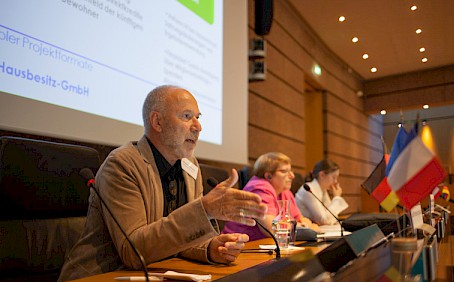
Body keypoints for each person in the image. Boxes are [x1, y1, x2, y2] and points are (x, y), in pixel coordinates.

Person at [58, 85, 268, 281]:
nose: (198, 127)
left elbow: (173, 238)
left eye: (198, 117)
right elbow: (133, 252)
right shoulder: (122, 165)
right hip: (101, 275)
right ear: (157, 122)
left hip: (160, 273)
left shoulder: (190, 167)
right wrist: (204, 209)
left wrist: (210, 248)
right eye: (187, 117)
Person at [222, 152, 319, 241]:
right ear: (268, 176)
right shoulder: (259, 188)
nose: (292, 176)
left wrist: (302, 225)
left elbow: (301, 219)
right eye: (284, 171)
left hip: (265, 246)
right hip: (238, 247)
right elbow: (271, 230)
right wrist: (302, 227)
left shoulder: (285, 191)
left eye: (291, 171)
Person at [295, 159, 348, 225]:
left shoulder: (323, 190)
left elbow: (331, 217)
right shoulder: (309, 189)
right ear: (322, 175)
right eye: (334, 177)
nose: (335, 181)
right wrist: (337, 198)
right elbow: (323, 220)